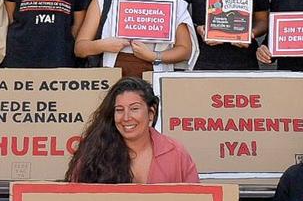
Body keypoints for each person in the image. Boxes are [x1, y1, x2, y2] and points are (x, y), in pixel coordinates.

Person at [65, 77, 201, 184]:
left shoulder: (176, 153)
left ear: (151, 113)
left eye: (134, 109)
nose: (126, 117)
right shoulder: (93, 152)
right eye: (119, 110)